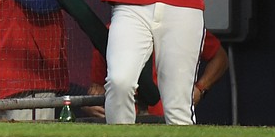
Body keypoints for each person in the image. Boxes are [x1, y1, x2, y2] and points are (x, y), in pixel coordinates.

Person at [86, 29, 229, 118]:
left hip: (170, 115)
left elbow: (220, 57)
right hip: (127, 119)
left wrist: (200, 88)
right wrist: (92, 104)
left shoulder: (182, 25)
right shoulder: (112, 31)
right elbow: (97, 86)